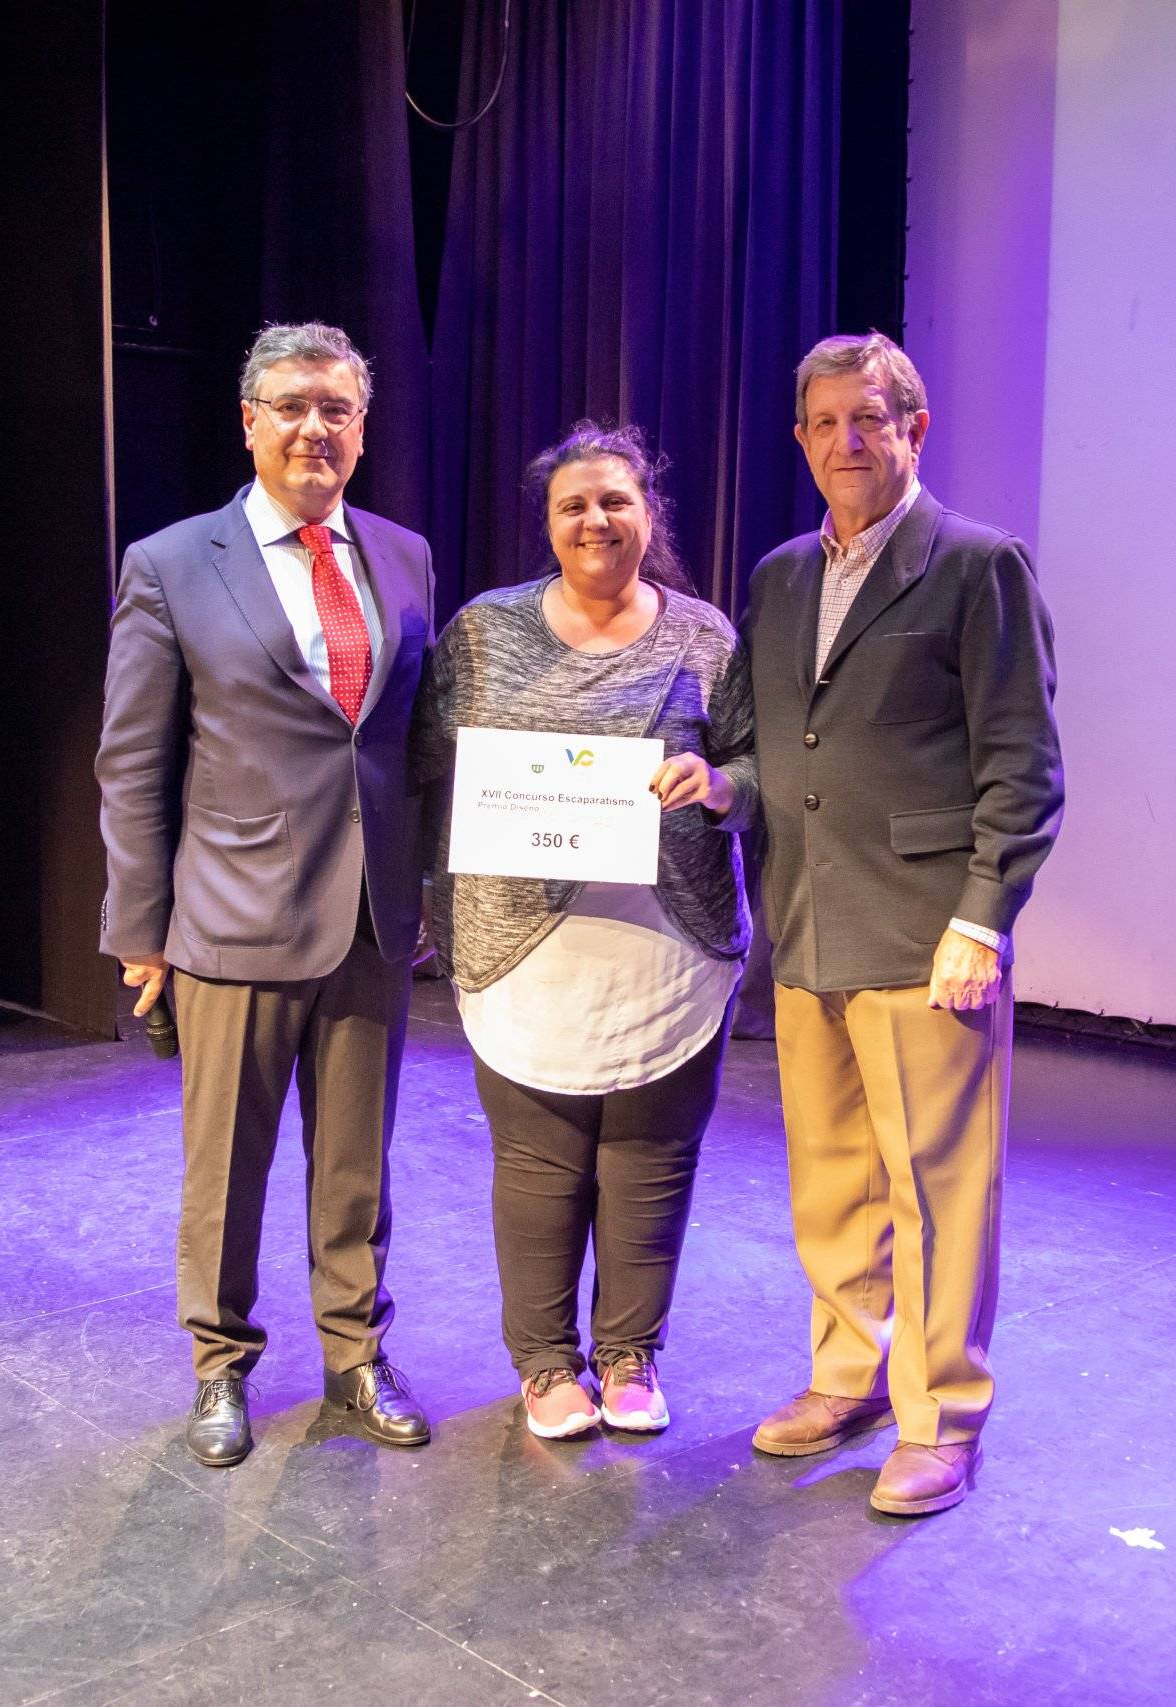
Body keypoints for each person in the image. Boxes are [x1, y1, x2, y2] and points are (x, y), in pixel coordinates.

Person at [95, 321, 436, 1468]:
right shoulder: (174, 562)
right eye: (290, 405)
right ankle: (221, 1368)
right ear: (248, 422)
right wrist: (140, 932)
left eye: (335, 409)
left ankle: (354, 1359)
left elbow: (408, 740)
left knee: (357, 1168)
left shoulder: (403, 555)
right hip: (230, 922)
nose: (313, 428)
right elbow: (133, 762)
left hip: (370, 921)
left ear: (361, 426)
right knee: (225, 1175)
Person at [742, 333, 1062, 1516]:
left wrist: (983, 919)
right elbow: (758, 738)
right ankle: (847, 1376)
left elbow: (1021, 765)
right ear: (800, 440)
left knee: (940, 1188)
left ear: (912, 431)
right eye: (822, 424)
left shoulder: (979, 567)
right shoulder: (778, 578)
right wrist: (720, 782)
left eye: (867, 421)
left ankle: (942, 1416)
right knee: (830, 1178)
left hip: (928, 936)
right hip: (808, 922)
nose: (844, 444)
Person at [414, 422, 756, 1440]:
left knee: (651, 1158)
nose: (595, 520)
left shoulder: (703, 635)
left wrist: (724, 783)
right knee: (536, 1163)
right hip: (523, 946)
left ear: (649, 515)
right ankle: (546, 1365)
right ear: (548, 524)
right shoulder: (483, 631)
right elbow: (428, 765)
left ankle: (630, 1354)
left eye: (615, 501)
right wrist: (427, 900)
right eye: (573, 505)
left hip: (669, 944)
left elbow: (759, 766)